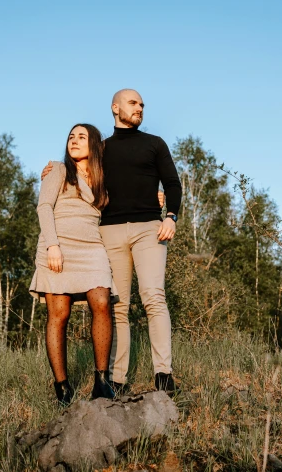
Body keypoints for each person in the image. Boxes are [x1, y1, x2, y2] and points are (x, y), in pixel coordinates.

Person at [43, 89, 182, 394]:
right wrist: (52, 170)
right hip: (108, 231)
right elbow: (77, 172)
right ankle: (116, 380)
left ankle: (163, 374)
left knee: (154, 297)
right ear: (115, 108)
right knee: (118, 307)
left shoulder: (155, 144)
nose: (140, 108)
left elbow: (172, 182)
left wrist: (170, 215)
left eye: (143, 104)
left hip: (150, 228)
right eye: (134, 103)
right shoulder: (100, 151)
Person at [30, 123, 117, 406]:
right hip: (58, 245)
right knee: (60, 315)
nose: (74, 141)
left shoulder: (103, 178)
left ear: (94, 145)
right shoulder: (57, 169)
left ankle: (102, 381)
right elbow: (44, 206)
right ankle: (62, 388)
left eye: (82, 137)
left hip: (92, 248)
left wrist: (157, 199)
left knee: (102, 302)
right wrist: (52, 246)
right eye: (71, 137)